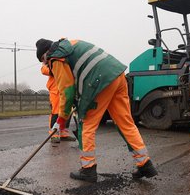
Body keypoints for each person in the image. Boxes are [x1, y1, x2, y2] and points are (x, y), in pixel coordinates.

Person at [35, 38, 157, 182]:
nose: (45, 64)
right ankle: (145, 164)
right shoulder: (71, 43)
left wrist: (61, 119)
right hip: (117, 75)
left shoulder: (55, 57)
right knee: (126, 123)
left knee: (86, 125)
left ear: (44, 55)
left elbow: (66, 92)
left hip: (99, 81)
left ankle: (88, 169)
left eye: (43, 61)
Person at [40, 63, 75, 144]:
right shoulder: (51, 60)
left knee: (67, 112)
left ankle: (63, 134)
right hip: (56, 91)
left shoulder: (67, 61)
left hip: (67, 90)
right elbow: (44, 69)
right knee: (56, 112)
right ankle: (54, 134)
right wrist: (56, 69)